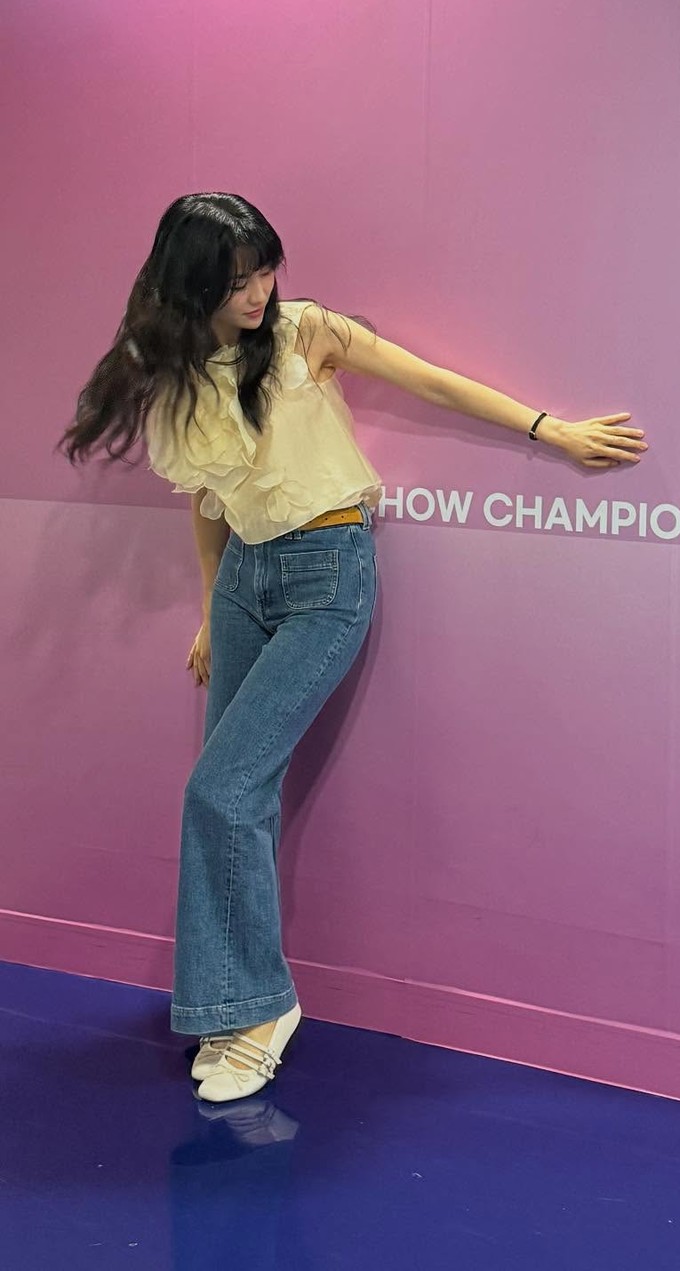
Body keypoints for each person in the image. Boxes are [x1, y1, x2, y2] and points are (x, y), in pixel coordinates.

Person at [58, 192, 648, 1100]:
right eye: (238, 277)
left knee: (221, 788)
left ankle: (260, 1009)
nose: (258, 290)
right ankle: (228, 1003)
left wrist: (550, 428)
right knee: (234, 795)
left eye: (265, 268)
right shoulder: (174, 367)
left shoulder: (305, 332)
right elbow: (208, 497)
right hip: (246, 577)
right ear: (192, 281)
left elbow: (430, 380)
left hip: (327, 569)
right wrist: (213, 606)